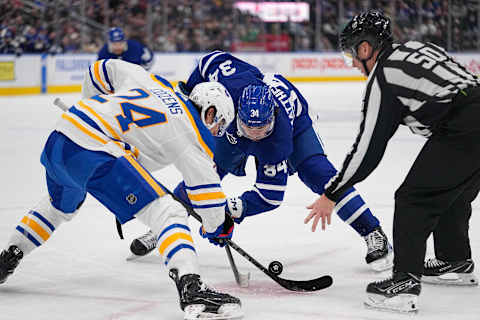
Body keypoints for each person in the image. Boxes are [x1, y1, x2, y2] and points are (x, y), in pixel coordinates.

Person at [0, 59, 243, 320]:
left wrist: (95, 110)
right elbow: (208, 196)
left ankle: (8, 256)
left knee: (58, 206)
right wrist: (217, 227)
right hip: (93, 149)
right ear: (210, 111)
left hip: (61, 136)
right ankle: (192, 288)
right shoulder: (194, 134)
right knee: (168, 211)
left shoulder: (156, 84)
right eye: (219, 122)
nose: (217, 130)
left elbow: (101, 69)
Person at [130, 50, 394, 272]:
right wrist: (192, 89)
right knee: (204, 172)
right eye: (250, 129)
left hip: (296, 125)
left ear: (273, 119)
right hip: (234, 125)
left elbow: (270, 196)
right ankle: (167, 225)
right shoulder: (230, 87)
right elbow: (211, 59)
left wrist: (230, 210)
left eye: (262, 129)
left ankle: (372, 231)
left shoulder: (276, 142)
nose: (255, 136)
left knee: (319, 173)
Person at [304, 9, 479, 313]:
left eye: (351, 56)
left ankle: (403, 283)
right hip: (472, 112)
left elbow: (367, 151)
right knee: (453, 191)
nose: (354, 65)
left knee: (414, 198)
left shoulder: (382, 77)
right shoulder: (416, 48)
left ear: (365, 48)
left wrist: (332, 192)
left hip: (463, 127)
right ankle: (454, 260)